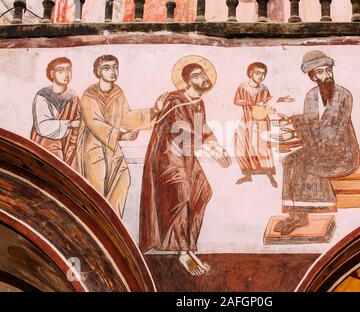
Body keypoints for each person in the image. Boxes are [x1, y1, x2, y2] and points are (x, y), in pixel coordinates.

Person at [139, 56, 231, 276]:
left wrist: (217, 147)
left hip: (186, 157)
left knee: (202, 192)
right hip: (167, 157)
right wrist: (209, 149)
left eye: (203, 74)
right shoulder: (176, 101)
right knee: (182, 193)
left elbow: (202, 128)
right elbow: (182, 132)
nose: (203, 78)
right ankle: (182, 253)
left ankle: (189, 247)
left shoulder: (198, 102)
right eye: (196, 75)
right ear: (187, 81)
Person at [272, 50, 360, 235]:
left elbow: (334, 131)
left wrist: (302, 127)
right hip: (319, 147)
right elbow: (311, 126)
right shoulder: (311, 96)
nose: (326, 75)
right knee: (289, 160)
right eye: (320, 72)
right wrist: (293, 122)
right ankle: (295, 214)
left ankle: (301, 215)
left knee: (305, 163)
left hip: (342, 153)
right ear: (312, 76)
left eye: (328, 70)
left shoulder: (343, 95)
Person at [77, 55, 162, 218]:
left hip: (111, 146)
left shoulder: (117, 93)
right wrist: (122, 136)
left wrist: (154, 111)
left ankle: (112, 223)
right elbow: (94, 123)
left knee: (123, 178)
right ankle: (96, 224)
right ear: (98, 71)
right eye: (107, 68)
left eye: (115, 67)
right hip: (93, 147)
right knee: (97, 188)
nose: (113, 71)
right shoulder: (89, 95)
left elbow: (126, 117)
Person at [233, 62, 277, 187]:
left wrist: (267, 108)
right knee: (242, 146)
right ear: (251, 73)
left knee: (263, 149)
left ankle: (270, 175)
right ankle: (247, 175)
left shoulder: (264, 89)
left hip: (262, 120)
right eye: (258, 73)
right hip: (247, 119)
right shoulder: (243, 87)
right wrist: (251, 102)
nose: (261, 76)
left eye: (263, 74)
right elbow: (236, 101)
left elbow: (265, 103)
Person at [31, 57, 80, 169]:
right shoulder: (42, 96)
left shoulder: (73, 97)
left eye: (68, 70)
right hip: (46, 145)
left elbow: (79, 120)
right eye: (61, 70)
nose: (66, 74)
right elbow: (42, 127)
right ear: (52, 73)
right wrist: (70, 124)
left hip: (67, 145)